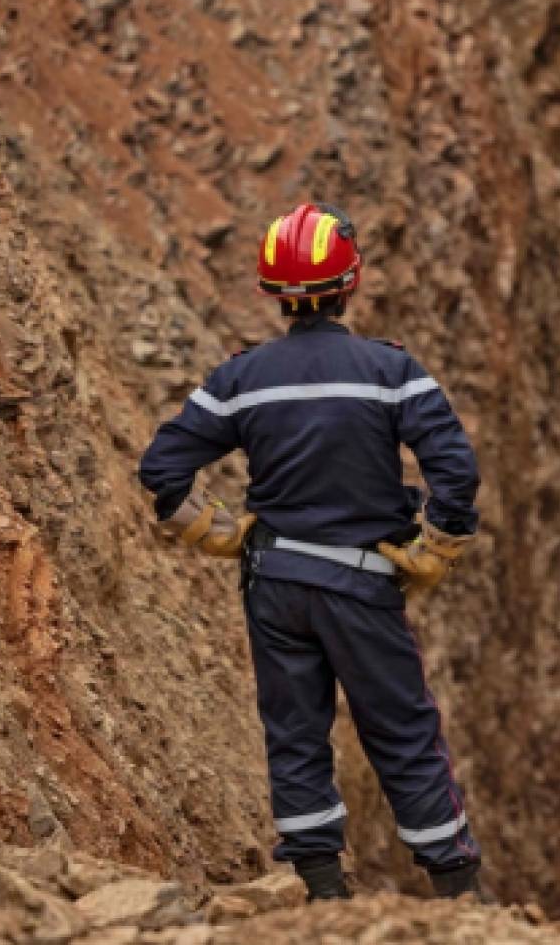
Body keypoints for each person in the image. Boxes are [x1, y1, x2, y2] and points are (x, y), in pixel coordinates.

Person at [138, 203, 483, 902]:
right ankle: (458, 892)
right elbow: (455, 468)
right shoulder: (390, 371)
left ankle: (321, 889)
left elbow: (162, 466)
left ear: (273, 294)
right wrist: (437, 542)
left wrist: (207, 528)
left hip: (274, 580)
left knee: (295, 731)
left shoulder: (241, 378)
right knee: (402, 729)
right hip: (359, 583)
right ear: (350, 283)